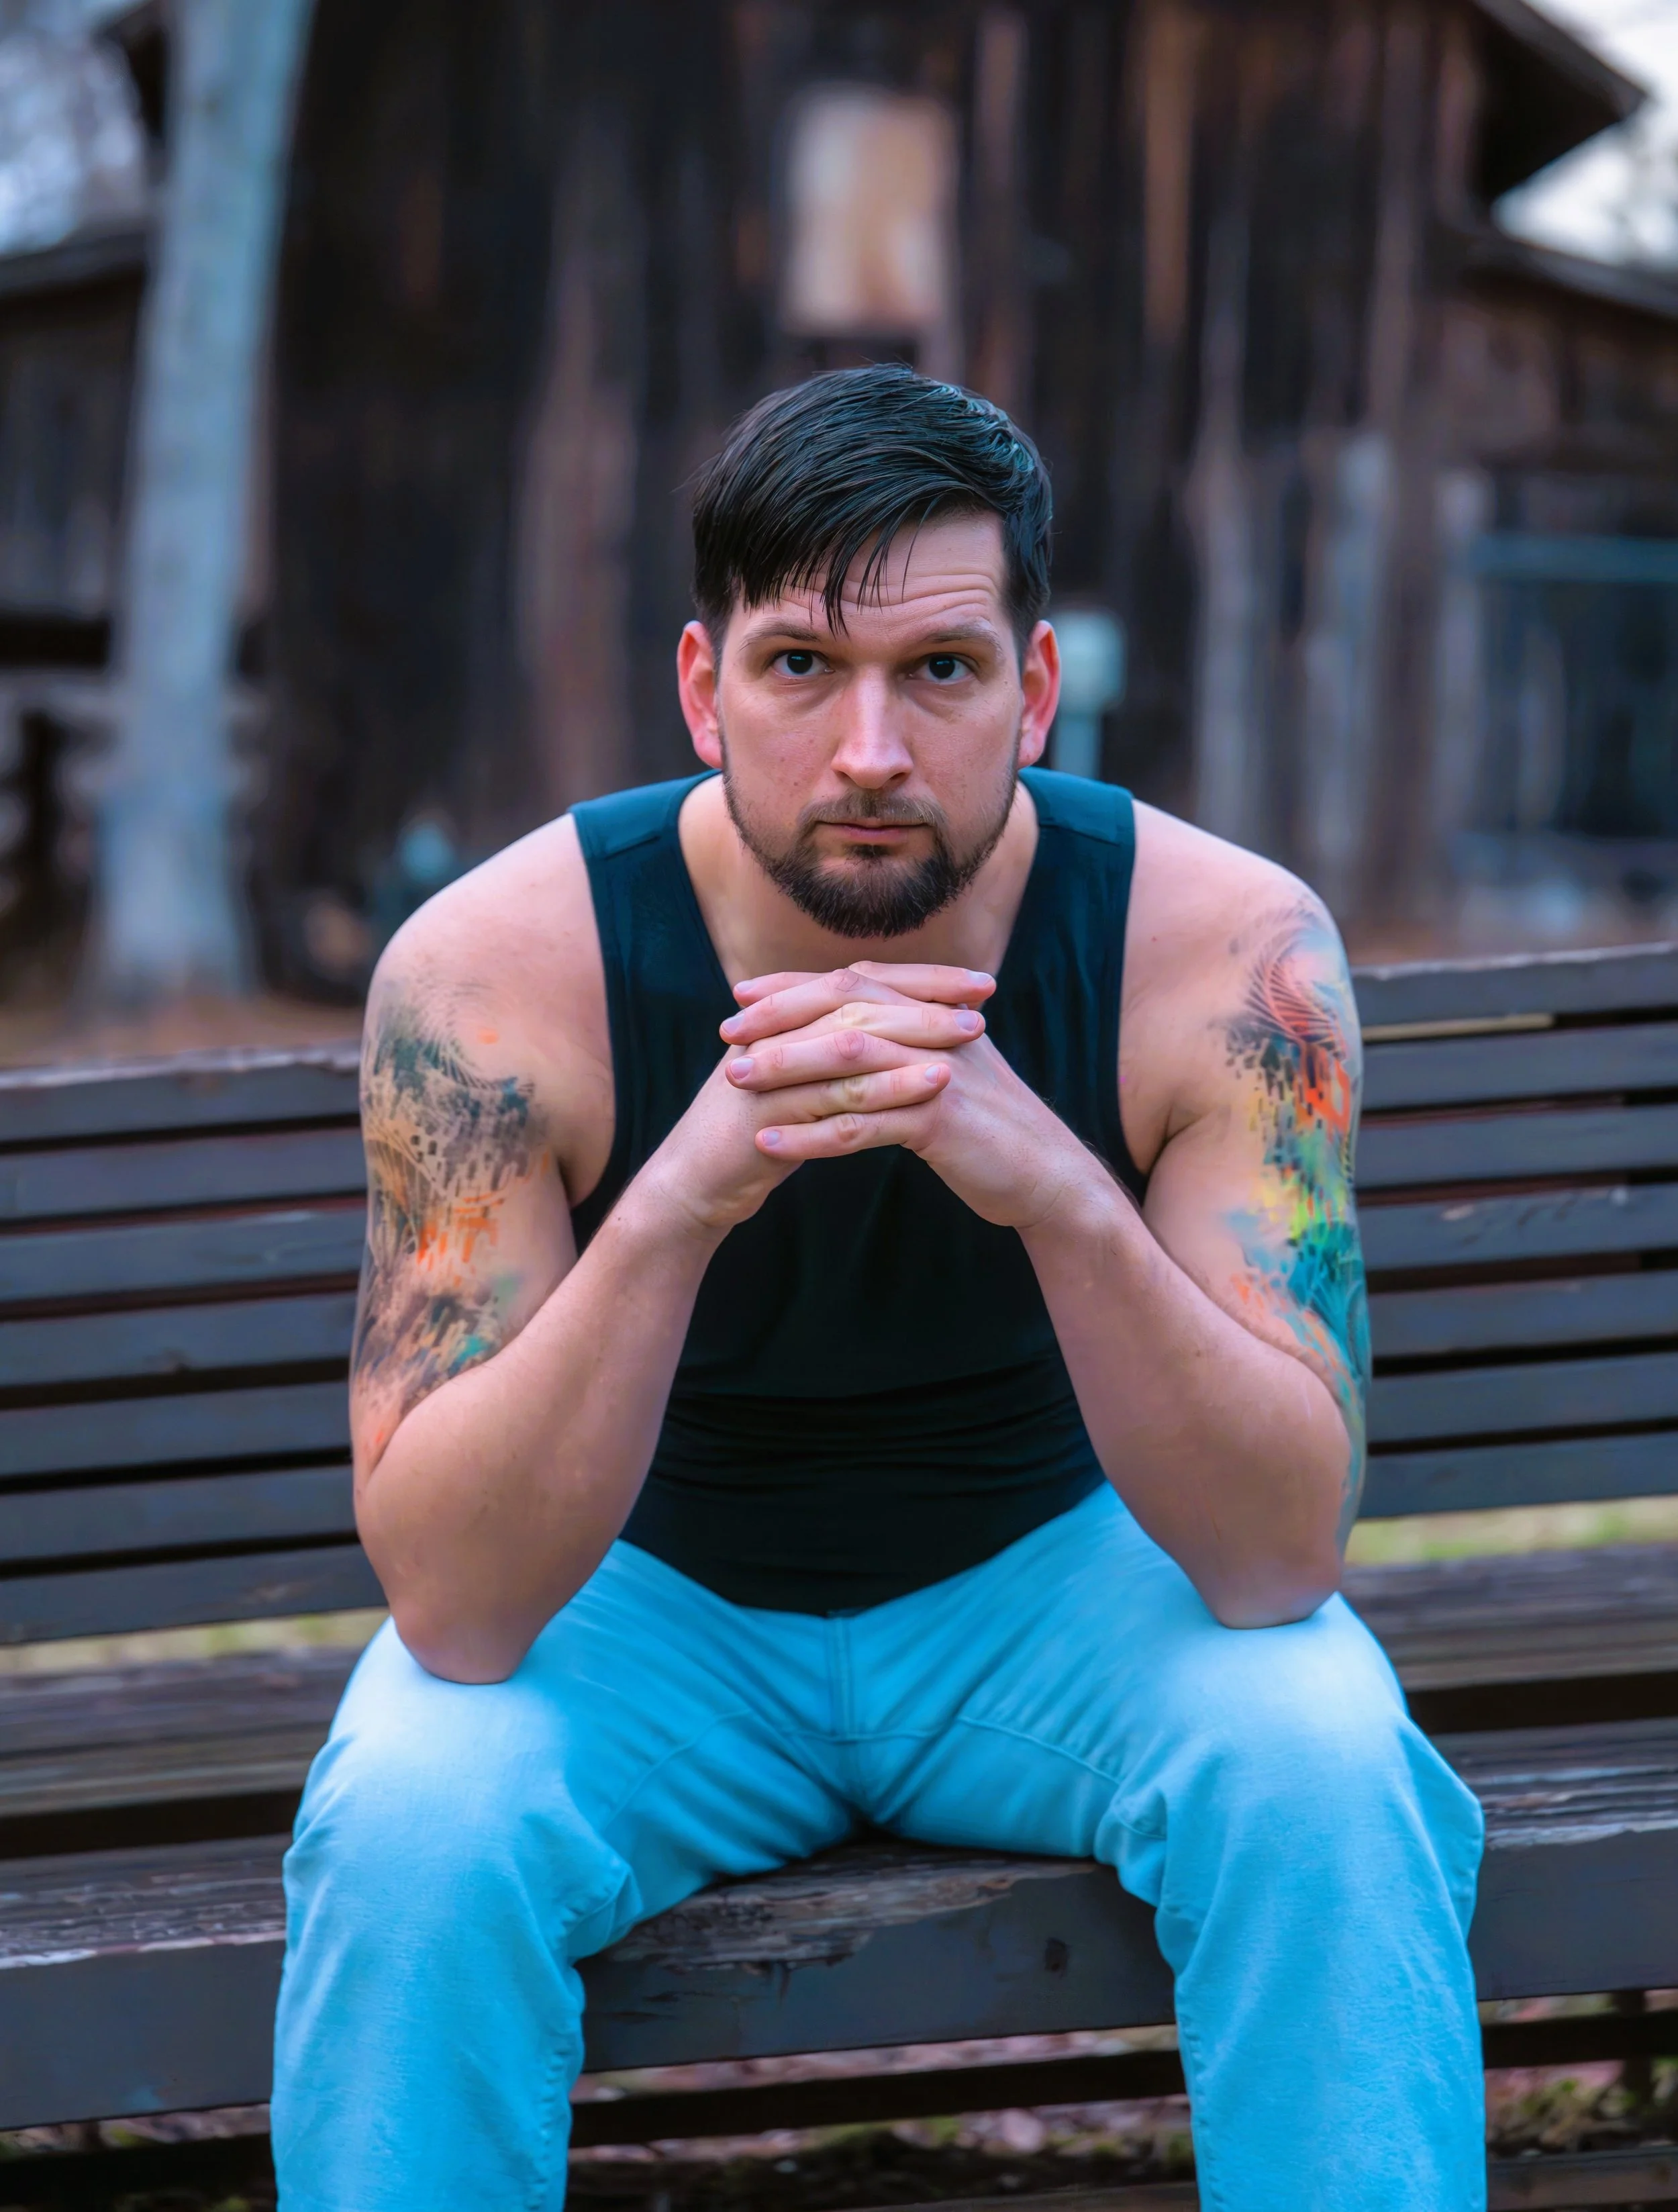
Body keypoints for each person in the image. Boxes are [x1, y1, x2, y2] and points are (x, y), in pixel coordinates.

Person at [273, 366, 1484, 2211]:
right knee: (415, 1826)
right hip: (641, 1607)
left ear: (1036, 687)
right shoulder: (493, 973)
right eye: (796, 669)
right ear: (703, 688)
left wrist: (1059, 1197)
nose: (868, 750)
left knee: (1320, 1756)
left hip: (1051, 1592)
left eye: (938, 670)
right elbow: (454, 1606)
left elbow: (1268, 1560)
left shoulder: (1225, 950)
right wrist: (677, 1196)